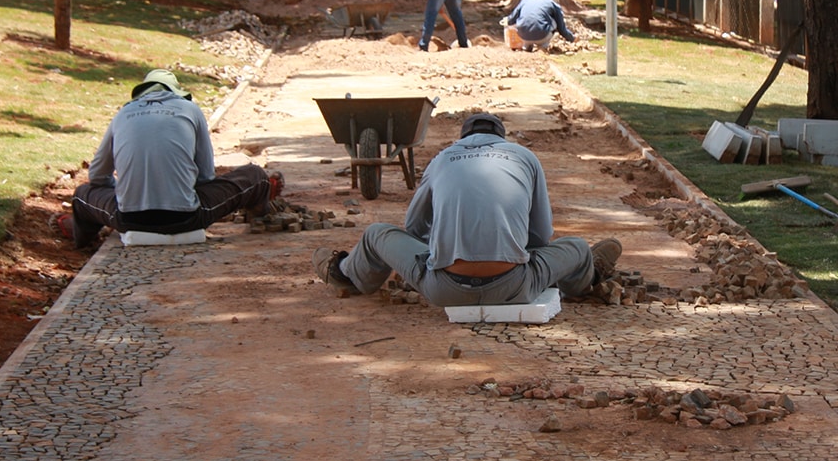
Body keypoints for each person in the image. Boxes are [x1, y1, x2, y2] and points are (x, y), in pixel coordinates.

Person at [313, 112, 621, 306]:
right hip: (516, 287)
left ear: (464, 138)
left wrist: (446, 240)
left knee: (377, 233)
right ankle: (587, 278)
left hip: (443, 290)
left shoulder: (443, 158)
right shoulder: (524, 157)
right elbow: (541, 235)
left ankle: (345, 275)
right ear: (501, 137)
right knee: (577, 247)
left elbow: (414, 227)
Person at [65, 69, 282, 248]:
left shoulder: (123, 114)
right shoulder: (190, 109)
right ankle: (259, 212)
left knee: (82, 195)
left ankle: (82, 240)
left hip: (128, 219)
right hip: (187, 218)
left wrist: (121, 189)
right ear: (176, 92)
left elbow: (97, 176)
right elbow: (206, 176)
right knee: (255, 175)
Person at [504, 0, 576, 52]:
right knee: (554, 21)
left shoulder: (525, 0)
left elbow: (511, 20)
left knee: (525, 20)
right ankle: (543, 46)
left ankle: (526, 45)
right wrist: (572, 39)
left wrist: (506, 22)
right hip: (542, 36)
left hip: (522, 36)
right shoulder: (553, 4)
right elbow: (562, 29)